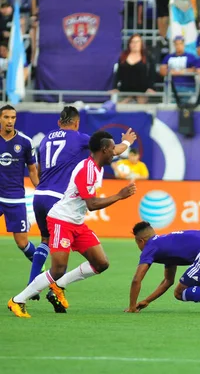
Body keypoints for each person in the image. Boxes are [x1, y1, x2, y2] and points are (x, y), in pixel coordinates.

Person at [8, 131, 137, 318]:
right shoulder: (87, 169)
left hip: (76, 223)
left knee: (101, 263)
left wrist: (126, 141)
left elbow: (89, 203)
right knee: (58, 268)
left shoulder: (97, 167)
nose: (115, 153)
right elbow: (91, 205)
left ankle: (58, 286)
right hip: (61, 220)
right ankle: (18, 300)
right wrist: (119, 195)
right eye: (112, 150)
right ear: (104, 150)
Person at [29, 107, 135, 306]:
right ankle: (43, 290)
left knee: (45, 240)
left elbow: (39, 168)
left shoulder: (45, 139)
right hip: (59, 199)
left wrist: (41, 188)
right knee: (60, 263)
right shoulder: (77, 138)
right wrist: (128, 141)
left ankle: (33, 285)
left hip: (40, 194)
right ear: (76, 123)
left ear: (59, 122)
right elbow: (112, 150)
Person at [0, 105, 39, 264]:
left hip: (15, 199)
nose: (10, 121)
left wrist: (41, 189)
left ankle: (42, 273)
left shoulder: (25, 142)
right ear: (0, 118)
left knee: (22, 243)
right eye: (6, 117)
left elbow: (32, 171)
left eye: (13, 117)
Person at [110, 34, 156, 104]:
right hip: (125, 92)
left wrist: (151, 88)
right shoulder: (123, 57)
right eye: (133, 42)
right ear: (129, 44)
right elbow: (118, 74)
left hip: (142, 93)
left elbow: (152, 74)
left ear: (141, 44)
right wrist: (115, 87)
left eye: (137, 42)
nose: (135, 44)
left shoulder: (148, 58)